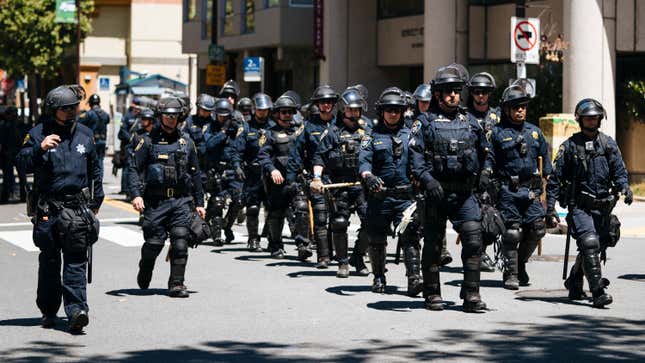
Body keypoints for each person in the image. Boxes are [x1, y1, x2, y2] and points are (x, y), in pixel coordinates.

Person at [18, 84, 103, 332]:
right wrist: (39, 148)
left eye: (74, 107)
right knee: (49, 262)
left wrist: (96, 201)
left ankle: (77, 310)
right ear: (54, 110)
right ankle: (48, 310)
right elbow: (21, 163)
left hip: (76, 210)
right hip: (48, 210)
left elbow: (95, 170)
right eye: (65, 109)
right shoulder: (37, 133)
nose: (71, 112)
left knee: (76, 261)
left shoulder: (86, 134)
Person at [409, 64, 489, 312]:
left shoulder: (471, 122)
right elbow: (414, 159)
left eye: (456, 90)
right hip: (436, 193)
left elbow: (486, 152)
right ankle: (432, 293)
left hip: (464, 193)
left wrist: (486, 171)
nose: (454, 95)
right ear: (438, 94)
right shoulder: (424, 123)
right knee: (433, 245)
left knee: (474, 240)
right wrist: (427, 181)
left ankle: (472, 293)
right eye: (448, 91)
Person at [546, 98, 633, 308]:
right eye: (588, 118)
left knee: (599, 244)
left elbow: (619, 171)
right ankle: (597, 292)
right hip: (580, 206)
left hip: (603, 206)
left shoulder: (608, 143)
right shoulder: (569, 147)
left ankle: (575, 279)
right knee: (589, 242)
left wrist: (625, 187)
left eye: (595, 118)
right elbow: (555, 179)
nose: (592, 122)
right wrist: (549, 208)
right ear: (580, 120)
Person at [127, 96, 205, 298]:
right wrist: (136, 195)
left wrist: (200, 202)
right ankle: (146, 267)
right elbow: (134, 168)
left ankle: (177, 284)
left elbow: (195, 172)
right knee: (154, 244)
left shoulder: (186, 142)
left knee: (180, 242)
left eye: (175, 116)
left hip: (181, 201)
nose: (171, 119)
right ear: (160, 116)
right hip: (156, 202)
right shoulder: (147, 141)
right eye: (167, 116)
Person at [484, 85, 551, 290]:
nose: (520, 110)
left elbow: (546, 161)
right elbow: (489, 161)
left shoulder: (535, 133)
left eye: (522, 107)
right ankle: (511, 272)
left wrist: (549, 178)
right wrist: (485, 179)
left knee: (538, 229)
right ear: (506, 110)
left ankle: (521, 263)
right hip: (508, 191)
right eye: (515, 107)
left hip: (530, 191)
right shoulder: (496, 133)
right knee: (512, 233)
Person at [358, 87, 422, 295]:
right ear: (382, 111)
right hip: (380, 196)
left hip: (406, 197)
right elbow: (364, 162)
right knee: (377, 238)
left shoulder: (413, 134)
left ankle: (414, 278)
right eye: (389, 110)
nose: (393, 113)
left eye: (397, 110)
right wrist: (368, 177)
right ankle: (378, 277)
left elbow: (422, 160)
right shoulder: (371, 135)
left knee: (411, 236)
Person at [311, 89, 371, 278]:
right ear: (343, 110)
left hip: (362, 185)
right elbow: (319, 157)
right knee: (339, 222)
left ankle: (358, 257)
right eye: (350, 110)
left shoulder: (368, 130)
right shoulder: (332, 132)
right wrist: (317, 178)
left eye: (357, 110)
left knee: (371, 222)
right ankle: (343, 262)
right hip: (339, 185)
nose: (353, 114)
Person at [286, 85, 339, 267]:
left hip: (338, 178)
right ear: (317, 104)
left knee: (338, 218)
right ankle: (323, 256)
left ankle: (341, 255)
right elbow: (296, 153)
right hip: (316, 178)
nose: (326, 105)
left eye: (329, 102)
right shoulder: (308, 126)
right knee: (320, 217)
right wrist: (291, 180)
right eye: (322, 102)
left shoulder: (340, 124)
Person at [256, 95, 307, 258]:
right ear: (277, 113)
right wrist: (272, 170)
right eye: (284, 112)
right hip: (278, 181)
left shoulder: (300, 131)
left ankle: (302, 245)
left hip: (296, 179)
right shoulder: (269, 134)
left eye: (290, 112)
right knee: (277, 213)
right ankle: (276, 245)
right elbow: (263, 156)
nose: (287, 115)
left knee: (301, 209)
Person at [466, 72, 501, 272]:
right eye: (477, 92)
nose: (481, 96)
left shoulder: (498, 116)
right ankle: (477, 253)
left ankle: (483, 249)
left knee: (493, 218)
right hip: (471, 174)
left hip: (494, 175)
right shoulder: (464, 116)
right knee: (474, 218)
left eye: (485, 92)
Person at [203, 98, 244, 246]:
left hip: (234, 169)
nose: (222, 118)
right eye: (220, 115)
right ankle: (217, 234)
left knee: (239, 201)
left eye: (225, 115)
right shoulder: (210, 127)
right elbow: (209, 144)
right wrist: (224, 132)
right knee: (218, 203)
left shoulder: (238, 126)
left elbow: (242, 146)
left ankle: (227, 225)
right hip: (217, 170)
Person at [240, 93, 274, 252]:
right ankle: (253, 239)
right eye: (260, 110)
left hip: (270, 172)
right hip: (252, 173)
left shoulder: (274, 126)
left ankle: (273, 239)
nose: (262, 112)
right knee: (253, 207)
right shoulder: (246, 126)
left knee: (273, 207)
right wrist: (237, 166)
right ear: (255, 110)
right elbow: (237, 150)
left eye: (265, 110)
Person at [79, 94, 110, 177]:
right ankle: (99, 179)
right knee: (100, 160)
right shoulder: (105, 114)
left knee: (90, 161)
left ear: (90, 103)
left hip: (92, 141)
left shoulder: (88, 114)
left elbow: (78, 122)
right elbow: (107, 122)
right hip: (103, 141)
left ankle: (92, 179)